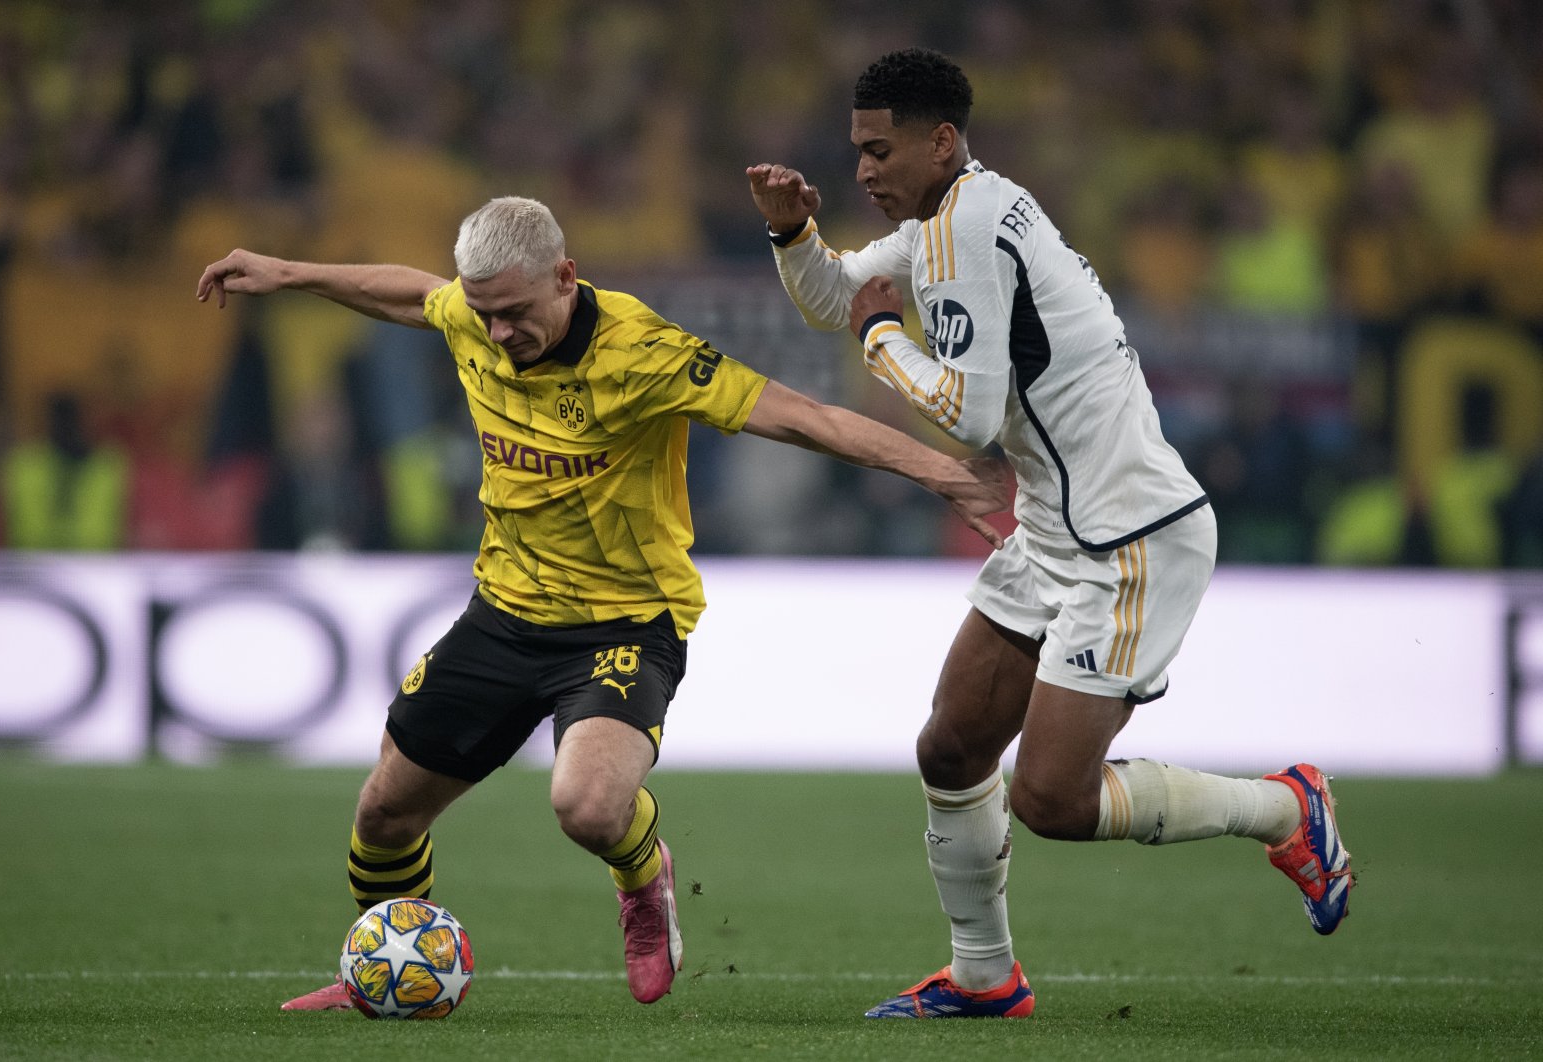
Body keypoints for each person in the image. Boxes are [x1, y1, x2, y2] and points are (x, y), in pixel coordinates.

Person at [195, 195, 1011, 1011]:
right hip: (504, 613)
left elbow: (802, 417)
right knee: (382, 815)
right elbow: (413, 294)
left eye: (515, 314)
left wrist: (941, 473)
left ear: (565, 277)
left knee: (586, 806)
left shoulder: (645, 353)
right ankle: (380, 974)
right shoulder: (476, 312)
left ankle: (643, 877)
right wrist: (287, 272)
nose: (499, 332)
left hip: (624, 624)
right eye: (485, 315)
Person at [746, 48, 1353, 1020]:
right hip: (1054, 534)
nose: (862, 169)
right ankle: (984, 978)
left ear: (940, 141)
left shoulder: (964, 234)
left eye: (878, 148)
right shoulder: (951, 212)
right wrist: (792, 235)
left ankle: (1285, 808)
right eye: (854, 150)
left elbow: (971, 414)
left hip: (1130, 543)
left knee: (1052, 801)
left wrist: (879, 341)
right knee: (950, 750)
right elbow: (834, 292)